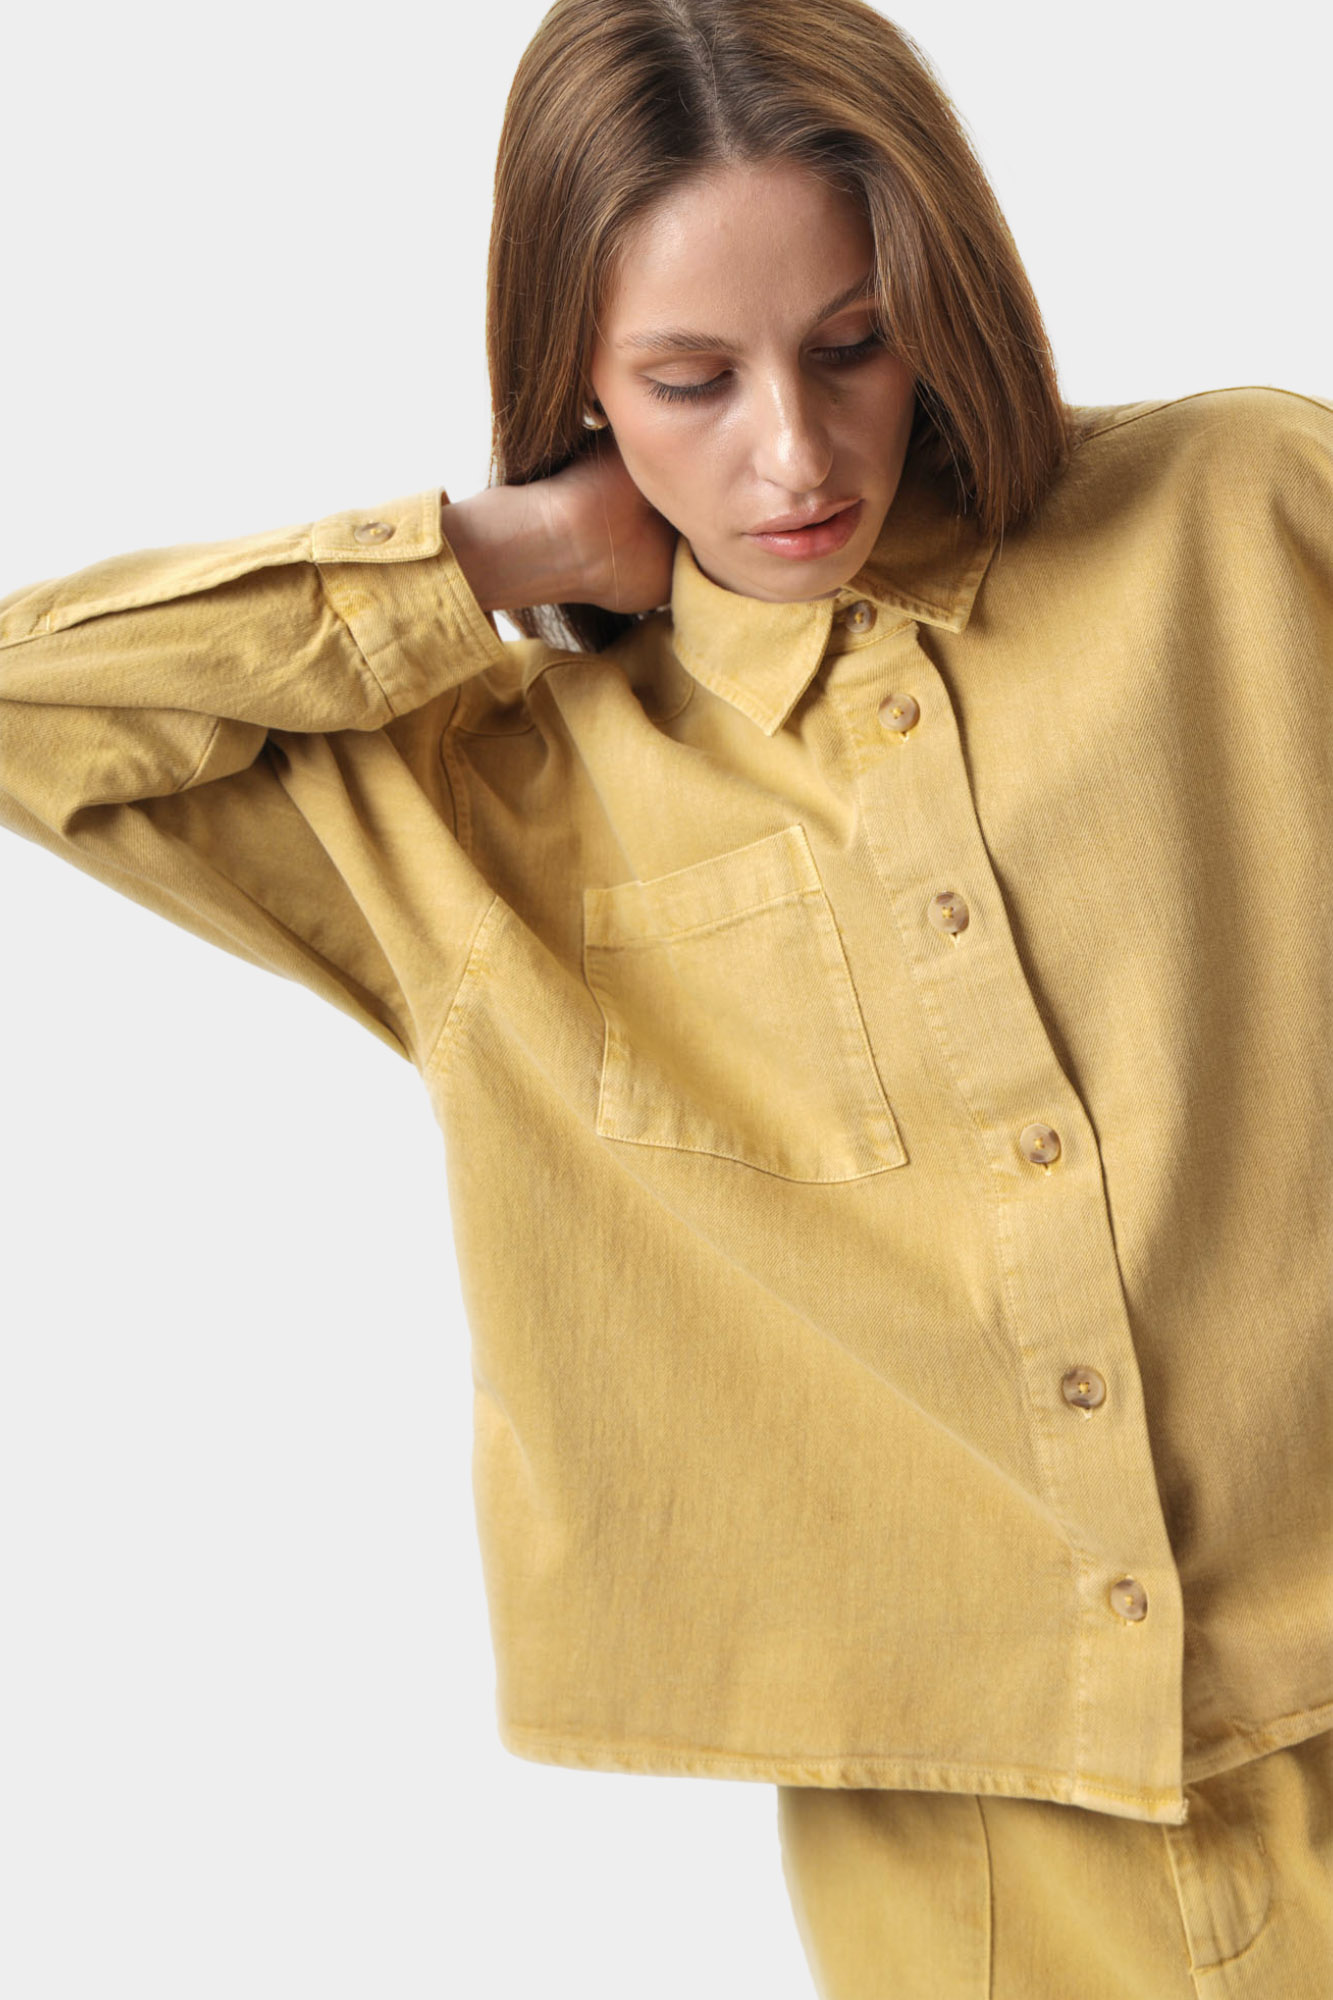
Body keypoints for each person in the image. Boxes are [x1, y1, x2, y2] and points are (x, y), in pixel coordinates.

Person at [2, 0, 1330, 1993]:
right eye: (689, 380)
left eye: (852, 344)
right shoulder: (474, 804)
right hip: (973, 1848)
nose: (791, 451)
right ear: (578, 377)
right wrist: (489, 550)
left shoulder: (1246, 513)